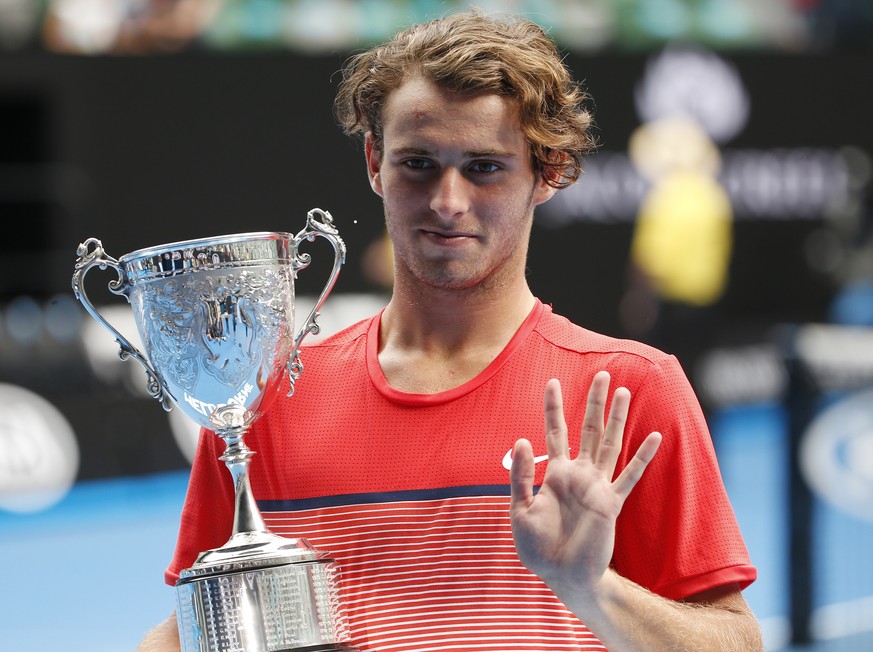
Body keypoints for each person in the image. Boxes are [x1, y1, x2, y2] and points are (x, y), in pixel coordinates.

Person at [137, 10, 762, 651]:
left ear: (549, 170)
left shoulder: (631, 389)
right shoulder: (265, 398)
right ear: (374, 162)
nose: (448, 201)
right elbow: (190, 632)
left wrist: (592, 589)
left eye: (485, 167)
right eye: (419, 164)